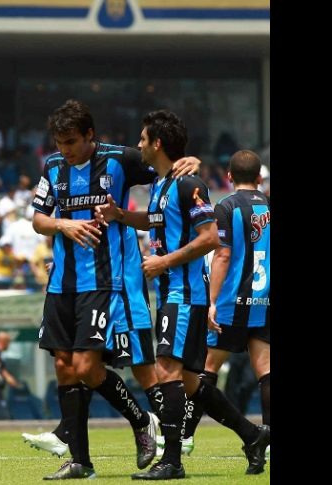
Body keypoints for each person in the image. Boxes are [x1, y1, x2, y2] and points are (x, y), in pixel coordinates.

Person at [28, 100, 200, 480]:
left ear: (90, 135)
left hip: (104, 281)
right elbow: (38, 219)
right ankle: (80, 462)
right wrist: (64, 226)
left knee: (88, 366)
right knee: (63, 367)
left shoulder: (120, 160)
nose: (65, 150)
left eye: (71, 141)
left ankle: (141, 422)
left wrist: (192, 162)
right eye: (59, 142)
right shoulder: (53, 167)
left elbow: (166, 163)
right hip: (61, 284)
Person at [96, 110, 269, 479]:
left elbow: (209, 239)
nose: (139, 144)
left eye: (143, 139)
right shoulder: (161, 184)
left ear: (157, 143)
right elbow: (155, 220)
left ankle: (172, 461)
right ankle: (253, 435)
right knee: (191, 382)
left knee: (165, 371)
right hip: (172, 293)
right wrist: (120, 215)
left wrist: (164, 262)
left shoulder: (188, 182)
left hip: (184, 294)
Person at [173, 149, 271, 458]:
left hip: (232, 300)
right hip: (265, 298)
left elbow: (223, 255)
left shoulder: (226, 207)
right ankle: (268, 437)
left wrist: (212, 301)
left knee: (206, 369)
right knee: (265, 369)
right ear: (259, 178)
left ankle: (186, 435)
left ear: (228, 177)